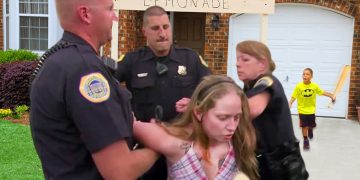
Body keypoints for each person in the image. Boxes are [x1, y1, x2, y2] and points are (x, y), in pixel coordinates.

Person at [30, 0, 159, 179]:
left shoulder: (57, 62)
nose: (115, 17)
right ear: (85, 14)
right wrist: (157, 146)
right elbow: (120, 170)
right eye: (110, 9)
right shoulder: (86, 71)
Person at [114, 5, 210, 179]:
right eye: (155, 28)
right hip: (147, 146)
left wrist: (197, 104)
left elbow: (215, 91)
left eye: (166, 27)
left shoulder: (190, 59)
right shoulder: (132, 61)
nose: (162, 34)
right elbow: (105, 85)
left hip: (183, 146)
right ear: (145, 32)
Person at [133, 75, 259, 180]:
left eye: (237, 117)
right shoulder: (175, 145)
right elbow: (126, 124)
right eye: (222, 117)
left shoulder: (240, 141)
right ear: (198, 113)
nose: (232, 127)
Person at [236, 40, 309, 180]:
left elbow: (250, 110)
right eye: (238, 59)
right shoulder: (249, 86)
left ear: (262, 64)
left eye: (245, 59)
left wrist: (207, 109)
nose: (238, 64)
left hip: (280, 163)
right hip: (266, 160)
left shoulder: (267, 82)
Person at [289, 68, 335, 150]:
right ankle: (305, 140)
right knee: (304, 126)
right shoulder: (299, 86)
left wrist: (331, 95)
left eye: (307, 74)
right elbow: (294, 96)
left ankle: (310, 129)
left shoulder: (314, 86)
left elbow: (322, 92)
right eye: (303, 74)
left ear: (311, 76)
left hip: (311, 110)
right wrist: (290, 103)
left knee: (311, 125)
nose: (305, 76)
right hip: (302, 110)